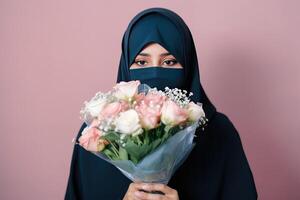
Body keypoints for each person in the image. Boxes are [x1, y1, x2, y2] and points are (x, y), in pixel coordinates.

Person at [65, 7, 258, 200]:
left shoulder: (219, 133)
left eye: (169, 62)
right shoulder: (96, 137)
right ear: (126, 66)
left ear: (188, 65)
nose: (155, 73)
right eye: (141, 62)